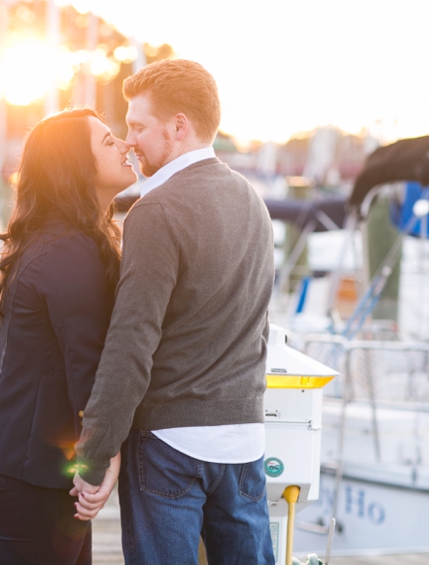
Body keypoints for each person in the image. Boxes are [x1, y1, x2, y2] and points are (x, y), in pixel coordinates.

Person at [72, 59, 277, 565]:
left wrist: (94, 456)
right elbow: (257, 327)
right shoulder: (253, 201)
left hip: (169, 448)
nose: (130, 140)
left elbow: (131, 342)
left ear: (179, 126)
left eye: (138, 126)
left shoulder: (157, 210)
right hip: (244, 443)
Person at [0, 108, 136, 564]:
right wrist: (103, 457)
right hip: (28, 461)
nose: (125, 146)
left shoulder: (70, 238)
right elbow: (88, 365)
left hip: (24, 449)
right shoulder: (67, 250)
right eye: (107, 141)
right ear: (75, 166)